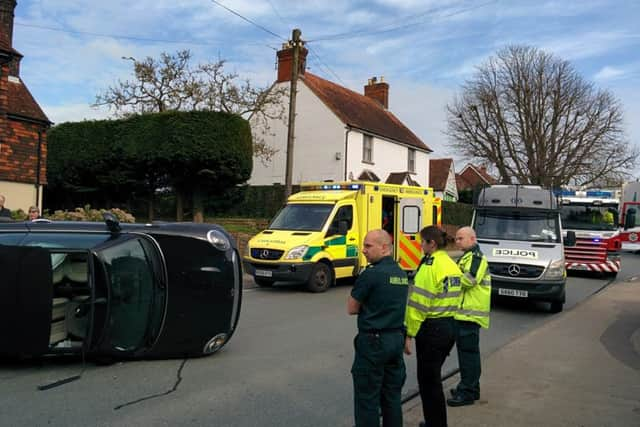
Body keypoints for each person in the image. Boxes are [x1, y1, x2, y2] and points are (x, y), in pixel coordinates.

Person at [348, 229, 409, 427]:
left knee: (367, 399)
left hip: (373, 343)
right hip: (395, 340)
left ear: (384, 248)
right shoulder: (400, 272)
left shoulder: (371, 274)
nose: (363, 250)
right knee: (391, 397)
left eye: (368, 246)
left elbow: (351, 308)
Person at [404, 226, 462, 427]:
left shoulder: (430, 267)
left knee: (429, 383)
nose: (420, 245)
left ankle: (435, 424)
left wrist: (409, 333)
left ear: (432, 244)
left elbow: (418, 305)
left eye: (423, 241)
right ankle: (435, 422)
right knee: (433, 378)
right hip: (448, 326)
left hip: (432, 329)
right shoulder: (451, 264)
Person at [447, 226, 491, 407]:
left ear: (472, 239)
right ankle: (469, 387)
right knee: (466, 355)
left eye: (460, 238)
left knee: (468, 356)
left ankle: (468, 392)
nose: (457, 241)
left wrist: (447, 280)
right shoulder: (467, 256)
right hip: (464, 314)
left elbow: (469, 280)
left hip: (470, 315)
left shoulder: (476, 258)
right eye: (456, 238)